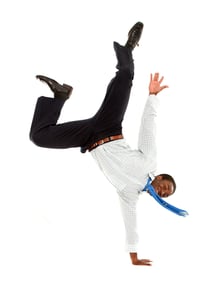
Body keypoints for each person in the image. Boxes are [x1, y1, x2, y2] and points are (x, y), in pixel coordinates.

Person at [29, 22, 177, 266]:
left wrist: (134, 256)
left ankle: (60, 96)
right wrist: (152, 96)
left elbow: (131, 224)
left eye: (165, 194)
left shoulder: (130, 194)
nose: (163, 192)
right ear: (161, 177)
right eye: (166, 186)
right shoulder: (150, 162)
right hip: (109, 127)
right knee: (124, 78)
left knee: (39, 137)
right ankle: (129, 47)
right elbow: (148, 128)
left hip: (88, 138)